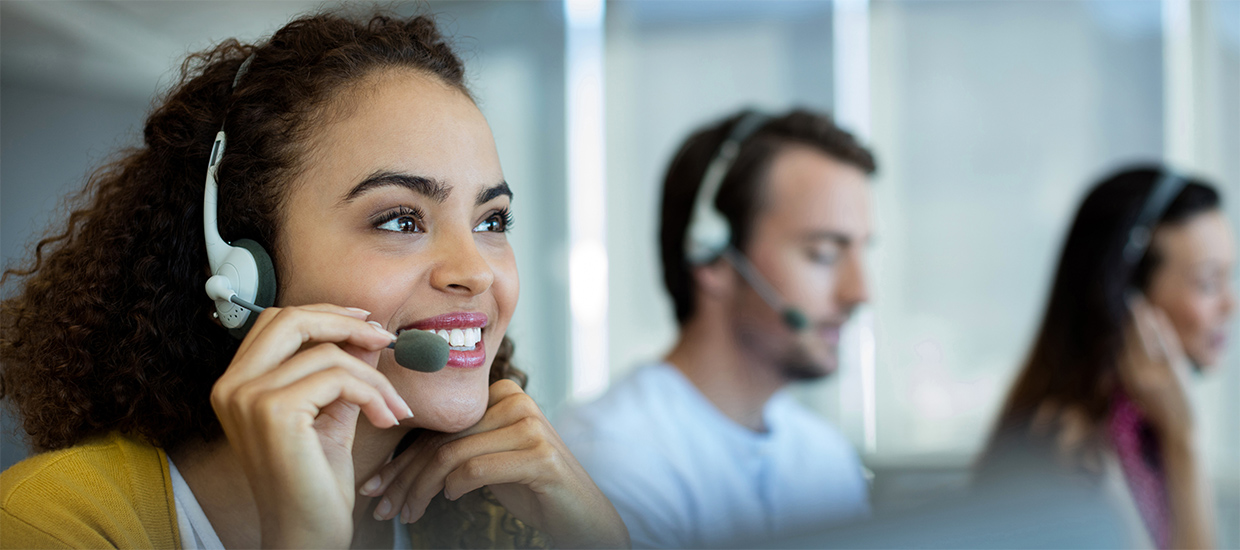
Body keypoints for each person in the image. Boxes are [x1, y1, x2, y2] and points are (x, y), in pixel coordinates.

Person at [0, 10, 628, 549]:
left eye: (492, 220)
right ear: (244, 265)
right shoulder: (54, 524)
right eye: (402, 219)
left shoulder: (492, 512)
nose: (473, 272)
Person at [555, 109, 876, 548]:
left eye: (861, 252)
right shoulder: (611, 458)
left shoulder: (825, 458)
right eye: (822, 253)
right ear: (714, 259)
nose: (859, 292)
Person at [979, 166, 1235, 549]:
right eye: (1208, 282)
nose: (1230, 305)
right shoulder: (1073, 451)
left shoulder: (1145, 430)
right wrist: (1186, 441)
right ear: (1125, 297)